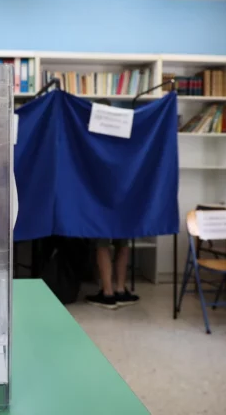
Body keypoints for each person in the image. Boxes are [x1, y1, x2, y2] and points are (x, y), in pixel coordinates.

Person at [84, 98, 140, 309]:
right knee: (122, 242)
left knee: (102, 243)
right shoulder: (123, 133)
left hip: (100, 197)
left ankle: (107, 293)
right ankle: (120, 289)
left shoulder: (91, 136)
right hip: (124, 195)